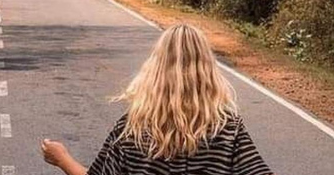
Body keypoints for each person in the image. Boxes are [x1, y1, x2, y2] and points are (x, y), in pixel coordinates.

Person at [41, 23, 273, 175]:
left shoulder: (132, 127)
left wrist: (62, 158)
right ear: (208, 69)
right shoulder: (228, 127)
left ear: (156, 68)